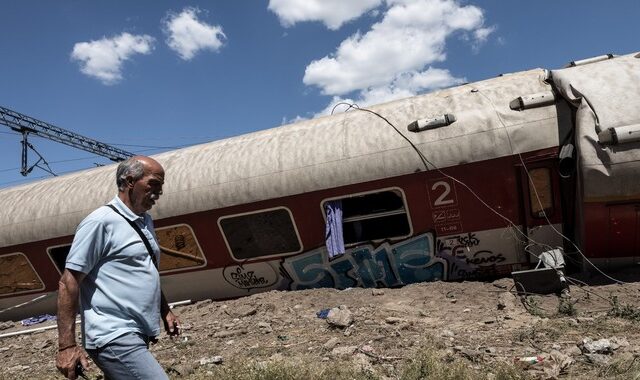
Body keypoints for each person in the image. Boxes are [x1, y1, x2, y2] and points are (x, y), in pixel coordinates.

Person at [56, 155, 180, 380]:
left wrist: (164, 310)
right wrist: (66, 347)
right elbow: (68, 281)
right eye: (154, 184)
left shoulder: (144, 221)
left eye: (161, 187)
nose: (158, 193)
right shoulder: (100, 222)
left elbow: (145, 269)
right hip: (112, 334)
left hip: (136, 331)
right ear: (130, 181)